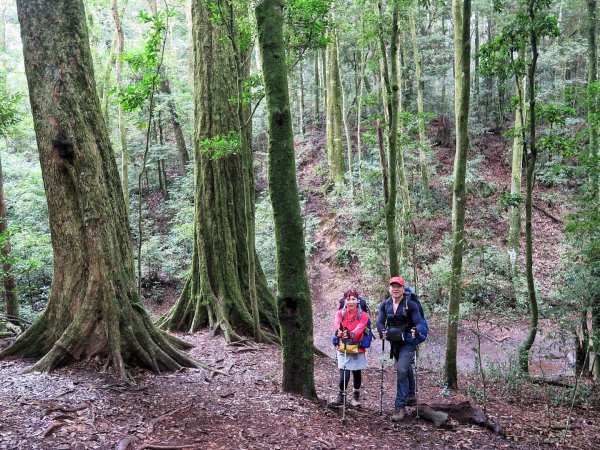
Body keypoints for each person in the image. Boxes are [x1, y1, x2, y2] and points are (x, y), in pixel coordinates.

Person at [377, 276, 424, 421]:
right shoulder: (385, 305)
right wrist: (381, 331)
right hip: (395, 343)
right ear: (389, 288)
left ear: (403, 288)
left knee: (402, 369)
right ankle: (410, 394)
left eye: (398, 286)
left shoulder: (411, 304)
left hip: (409, 342)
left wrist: (417, 330)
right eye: (393, 286)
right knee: (405, 368)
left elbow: (419, 322)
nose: (395, 289)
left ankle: (400, 407)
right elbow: (379, 322)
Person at [331, 289, 369, 408]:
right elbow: (337, 324)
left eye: (353, 299)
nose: (351, 302)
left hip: (357, 347)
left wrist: (351, 334)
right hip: (343, 346)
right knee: (344, 374)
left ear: (357, 301)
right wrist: (340, 332)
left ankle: (356, 396)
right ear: (344, 301)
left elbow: (360, 327)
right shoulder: (340, 313)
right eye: (348, 299)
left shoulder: (363, 315)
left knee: (356, 372)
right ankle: (341, 395)